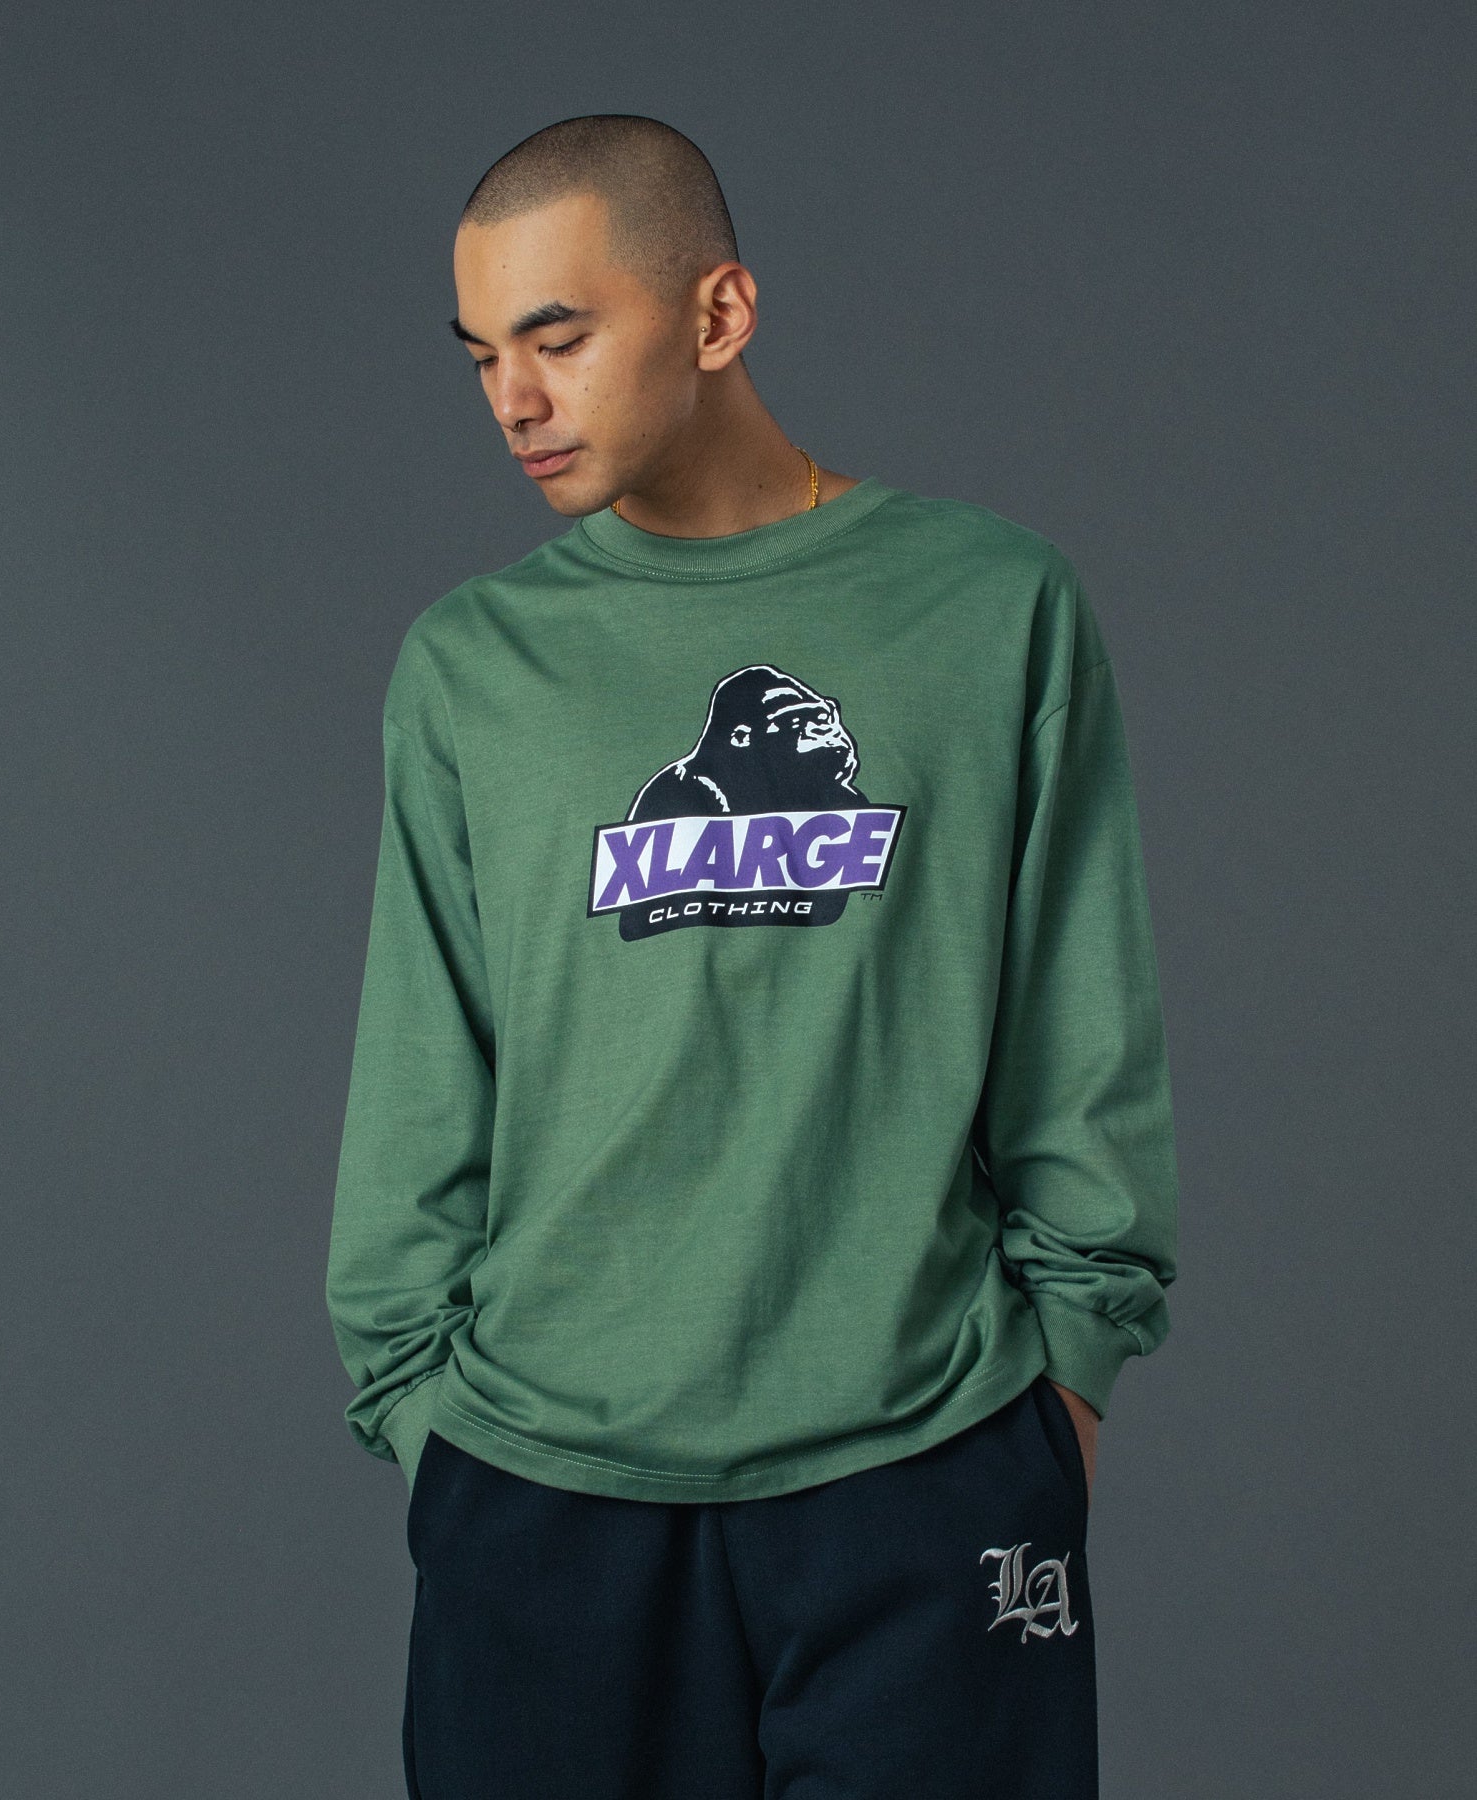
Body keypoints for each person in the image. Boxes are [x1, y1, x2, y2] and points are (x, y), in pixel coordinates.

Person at [324, 112, 1180, 1800]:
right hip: (540, 1494)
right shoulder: (473, 666)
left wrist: (1061, 1390)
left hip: (926, 1468)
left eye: (558, 337)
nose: (514, 399)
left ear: (717, 315)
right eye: (483, 354)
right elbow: (423, 1070)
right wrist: (424, 1416)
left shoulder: (990, 605)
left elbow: (1082, 1032)